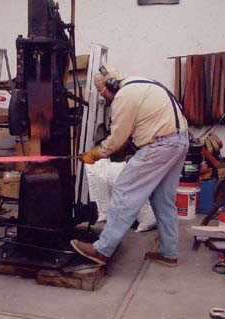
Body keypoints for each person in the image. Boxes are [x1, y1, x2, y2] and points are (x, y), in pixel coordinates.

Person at [71, 65, 189, 267]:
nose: (105, 98)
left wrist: (95, 153)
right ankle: (170, 253)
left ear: (109, 86)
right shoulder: (142, 83)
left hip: (159, 145)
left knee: (124, 190)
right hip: (179, 142)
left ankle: (102, 249)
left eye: (102, 93)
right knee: (163, 200)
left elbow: (117, 139)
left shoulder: (124, 96)